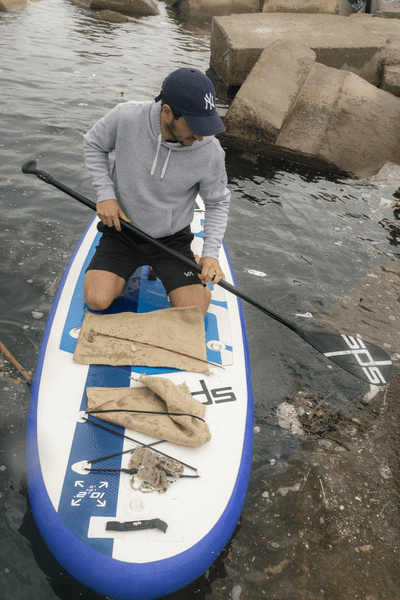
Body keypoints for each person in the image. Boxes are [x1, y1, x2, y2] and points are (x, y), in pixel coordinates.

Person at [82, 67, 231, 317]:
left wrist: (210, 255)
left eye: (205, 125)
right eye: (194, 125)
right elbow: (93, 143)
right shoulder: (126, 116)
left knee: (194, 311)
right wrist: (105, 194)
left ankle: (191, 262)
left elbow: (217, 202)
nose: (200, 136)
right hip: (123, 229)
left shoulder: (211, 151)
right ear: (167, 112)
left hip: (172, 239)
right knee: (97, 300)